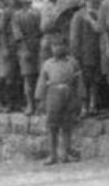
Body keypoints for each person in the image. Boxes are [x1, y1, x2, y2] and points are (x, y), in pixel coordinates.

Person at [34, 35, 84, 165]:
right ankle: (53, 155)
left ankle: (66, 154)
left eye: (60, 45)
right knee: (52, 126)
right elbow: (42, 82)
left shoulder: (72, 62)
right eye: (54, 46)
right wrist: (40, 100)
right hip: (53, 94)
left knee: (67, 125)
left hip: (68, 94)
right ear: (51, 48)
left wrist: (81, 99)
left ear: (66, 47)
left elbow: (79, 82)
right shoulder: (47, 64)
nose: (57, 49)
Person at [9, 0, 42, 115]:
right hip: (24, 47)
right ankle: (30, 104)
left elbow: (42, 27)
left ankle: (41, 104)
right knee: (28, 78)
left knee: (41, 75)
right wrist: (26, 49)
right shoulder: (16, 15)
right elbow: (17, 35)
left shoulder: (38, 10)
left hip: (38, 44)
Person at [70, 0, 102, 116]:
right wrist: (76, 53)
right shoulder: (80, 15)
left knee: (96, 79)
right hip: (85, 52)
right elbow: (74, 36)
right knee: (85, 79)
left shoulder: (101, 11)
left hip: (99, 50)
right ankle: (84, 106)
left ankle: (94, 105)